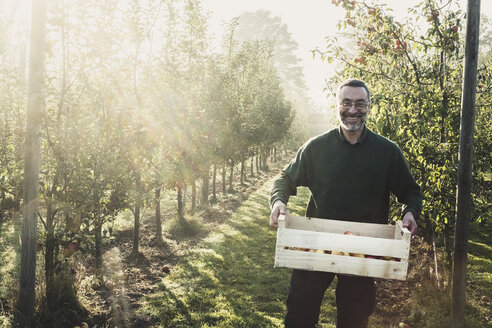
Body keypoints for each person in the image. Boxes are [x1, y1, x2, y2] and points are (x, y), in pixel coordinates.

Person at [269, 79, 422, 328]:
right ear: (337, 105)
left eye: (360, 104)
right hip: (316, 244)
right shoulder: (317, 148)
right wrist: (278, 201)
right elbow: (285, 179)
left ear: (369, 107)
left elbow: (410, 191)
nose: (353, 110)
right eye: (346, 103)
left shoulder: (387, 151)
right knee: (299, 316)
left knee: (354, 320)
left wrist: (410, 212)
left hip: (363, 250)